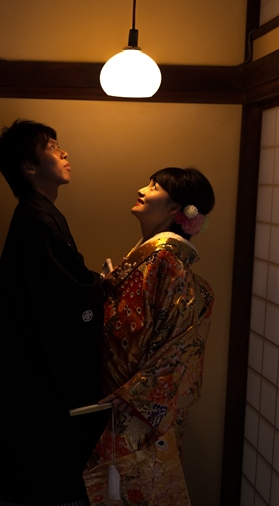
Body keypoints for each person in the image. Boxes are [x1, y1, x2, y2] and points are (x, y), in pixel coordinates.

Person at [0, 119, 107, 506]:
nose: (64, 152)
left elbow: (64, 284)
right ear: (28, 166)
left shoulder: (38, 214)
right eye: (52, 147)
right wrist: (100, 287)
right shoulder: (36, 218)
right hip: (38, 381)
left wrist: (92, 283)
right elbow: (65, 298)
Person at [82, 167, 215, 506]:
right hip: (120, 392)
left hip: (137, 401)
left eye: (154, 187)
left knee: (132, 486)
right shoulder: (152, 256)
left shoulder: (165, 259)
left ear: (176, 209)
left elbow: (181, 341)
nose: (142, 190)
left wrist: (139, 391)